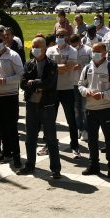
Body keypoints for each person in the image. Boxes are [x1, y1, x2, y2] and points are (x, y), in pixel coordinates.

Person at [78, 42, 110, 178]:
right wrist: (87, 92)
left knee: (109, 140)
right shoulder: (87, 68)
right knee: (92, 139)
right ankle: (94, 165)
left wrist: (103, 95)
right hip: (91, 108)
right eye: (93, 51)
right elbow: (80, 85)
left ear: (104, 53)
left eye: (98, 51)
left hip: (106, 108)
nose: (94, 53)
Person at [19, 37, 61, 179]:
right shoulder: (29, 64)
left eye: (38, 47)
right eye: (33, 46)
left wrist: (34, 82)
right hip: (31, 105)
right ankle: (30, 165)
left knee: (51, 138)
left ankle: (55, 169)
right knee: (30, 138)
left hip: (47, 106)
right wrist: (36, 85)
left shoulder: (52, 65)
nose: (35, 49)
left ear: (44, 48)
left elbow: (49, 83)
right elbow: (23, 83)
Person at [0, 27, 24, 172]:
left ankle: (17, 157)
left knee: (11, 128)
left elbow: (21, 75)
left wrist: (4, 81)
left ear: (6, 40)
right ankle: (6, 153)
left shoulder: (13, 55)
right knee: (0, 127)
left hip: (10, 97)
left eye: (0, 40)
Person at [45, 28, 80, 158]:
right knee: (50, 119)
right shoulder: (50, 50)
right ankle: (48, 145)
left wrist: (54, 67)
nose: (59, 37)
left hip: (67, 89)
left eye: (62, 35)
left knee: (71, 119)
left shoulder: (72, 51)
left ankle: (75, 146)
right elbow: (46, 68)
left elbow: (69, 67)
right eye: (58, 35)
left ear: (67, 37)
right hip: (52, 89)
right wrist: (60, 67)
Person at [69, 34, 93, 142]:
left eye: (75, 44)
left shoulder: (88, 50)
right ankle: (79, 128)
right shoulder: (69, 50)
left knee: (84, 108)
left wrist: (83, 66)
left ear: (79, 41)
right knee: (76, 108)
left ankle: (86, 130)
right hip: (72, 83)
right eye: (71, 44)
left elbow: (94, 63)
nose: (74, 46)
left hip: (84, 83)